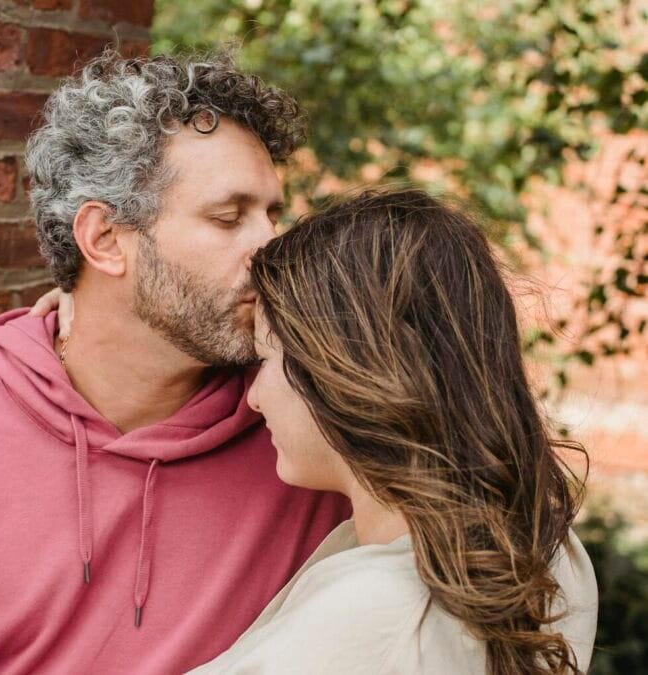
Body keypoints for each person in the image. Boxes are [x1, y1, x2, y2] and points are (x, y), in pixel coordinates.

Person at [0, 53, 349, 674]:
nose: (271, 249)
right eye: (228, 217)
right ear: (104, 240)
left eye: (273, 215)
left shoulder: (312, 435)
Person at [188, 188, 598, 673]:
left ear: (343, 368)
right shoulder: (546, 555)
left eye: (266, 359)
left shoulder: (370, 622)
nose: (254, 397)